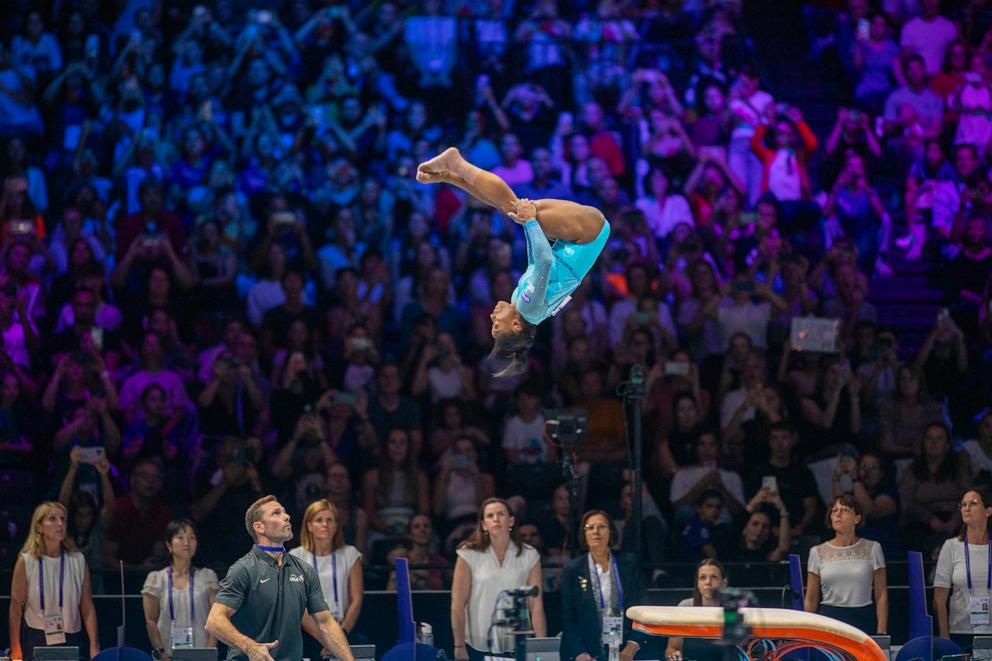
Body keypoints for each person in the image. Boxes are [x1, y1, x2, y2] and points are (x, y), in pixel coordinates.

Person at [416, 148, 610, 377]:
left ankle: (449, 176)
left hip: (575, 240)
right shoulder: (529, 307)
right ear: (516, 326)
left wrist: (528, 225)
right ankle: (455, 164)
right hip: (587, 236)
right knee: (513, 207)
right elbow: (545, 260)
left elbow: (535, 261)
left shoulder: (522, 305)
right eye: (497, 325)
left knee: (509, 208)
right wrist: (529, 223)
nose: (492, 317)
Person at [204, 495, 354, 661]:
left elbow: (325, 622)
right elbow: (214, 621)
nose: (286, 516)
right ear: (259, 527)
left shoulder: (304, 570)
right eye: (276, 513)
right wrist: (250, 647)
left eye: (284, 511)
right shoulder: (243, 569)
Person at [451, 497, 546, 660]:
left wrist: (542, 647)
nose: (495, 519)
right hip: (477, 645)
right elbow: (458, 604)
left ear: (511, 521)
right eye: (490, 516)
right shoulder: (468, 553)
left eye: (501, 514)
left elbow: (536, 605)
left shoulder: (529, 555)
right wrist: (459, 645)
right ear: (483, 525)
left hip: (518, 644)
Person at [8, 501, 100, 660]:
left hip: (71, 637)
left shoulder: (77, 560)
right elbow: (16, 608)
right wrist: (16, 647)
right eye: (52, 519)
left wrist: (94, 645)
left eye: (63, 519)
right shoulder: (26, 561)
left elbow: (88, 608)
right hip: (36, 636)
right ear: (39, 527)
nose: (60, 524)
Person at [560, 509, 651, 661]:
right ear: (584, 534)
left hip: (626, 649)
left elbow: (642, 608)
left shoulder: (629, 562)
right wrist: (580, 653)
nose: (596, 531)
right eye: (590, 527)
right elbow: (569, 618)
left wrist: (631, 647)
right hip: (587, 651)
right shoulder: (573, 569)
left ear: (611, 532)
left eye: (602, 526)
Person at [804, 495, 888, 635]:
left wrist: (882, 631)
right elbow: (811, 597)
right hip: (829, 618)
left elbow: (881, 594)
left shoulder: (873, 548)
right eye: (834, 510)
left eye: (844, 510)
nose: (838, 514)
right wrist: (807, 631)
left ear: (857, 518)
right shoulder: (817, 552)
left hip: (863, 617)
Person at [141, 519, 219, 660]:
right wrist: (161, 652)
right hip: (168, 656)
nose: (186, 542)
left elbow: (216, 618)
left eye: (191, 537)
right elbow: (150, 621)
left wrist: (210, 652)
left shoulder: (208, 576)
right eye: (180, 537)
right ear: (169, 545)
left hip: (201, 656)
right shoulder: (156, 579)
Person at [288, 500, 363, 642]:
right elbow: (298, 605)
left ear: (336, 526)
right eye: (319, 520)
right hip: (308, 633)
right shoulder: (296, 557)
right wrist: (322, 638)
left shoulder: (350, 554)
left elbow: (356, 600)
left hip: (343, 629)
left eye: (330, 520)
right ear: (309, 526)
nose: (325, 525)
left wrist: (341, 633)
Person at [934, 488, 992, 653]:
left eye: (973, 503)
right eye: (963, 504)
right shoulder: (951, 547)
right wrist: (945, 637)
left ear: (988, 511)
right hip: (959, 631)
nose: (966, 508)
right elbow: (939, 598)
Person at [665, 560, 729, 661]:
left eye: (714, 577)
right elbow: (672, 648)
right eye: (703, 578)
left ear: (724, 583)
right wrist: (674, 655)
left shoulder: (732, 611)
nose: (708, 582)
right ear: (698, 584)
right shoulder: (684, 607)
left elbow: (738, 648)